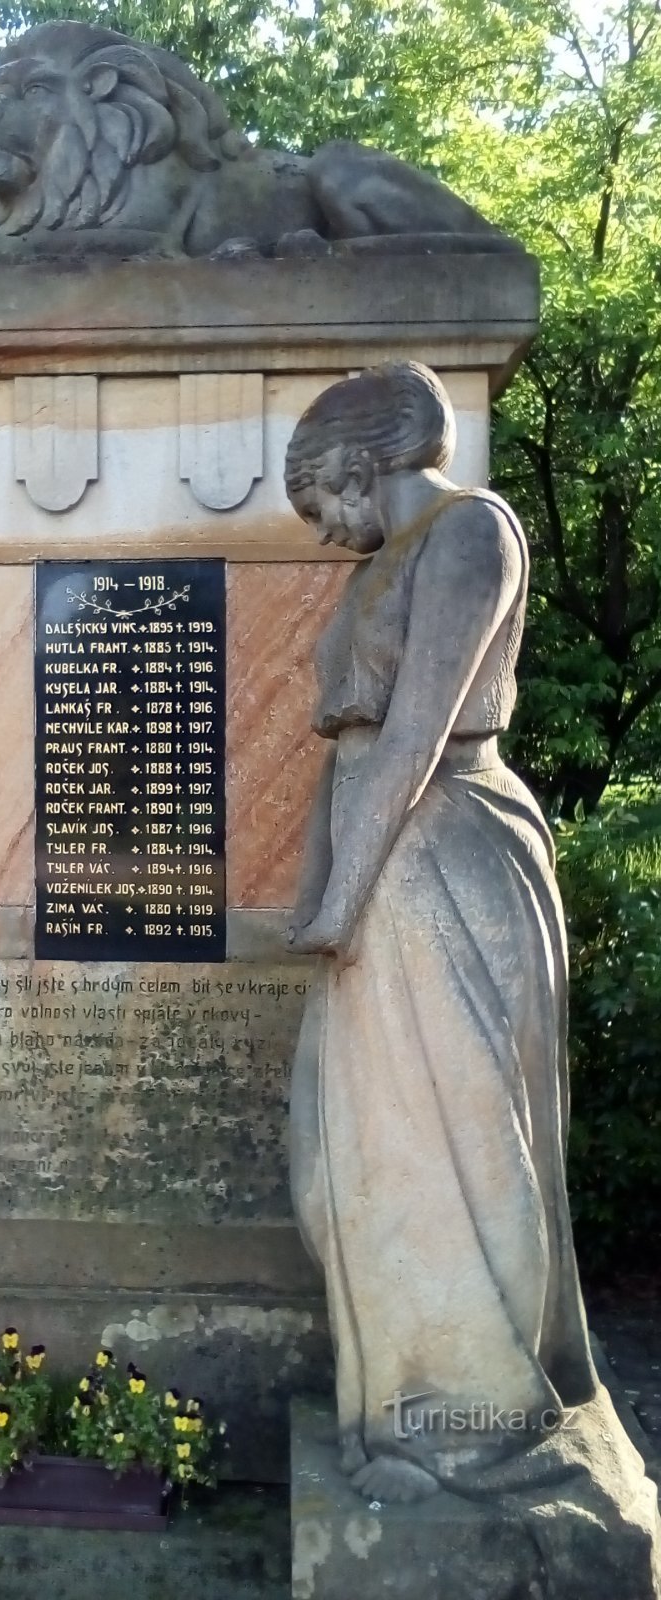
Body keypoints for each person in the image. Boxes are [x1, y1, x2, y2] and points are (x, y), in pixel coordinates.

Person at [284, 362, 597, 1505]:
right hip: (378, 879)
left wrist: (340, 894)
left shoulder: (476, 534)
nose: (322, 534)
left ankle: (468, 1411)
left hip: (443, 852)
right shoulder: (380, 566)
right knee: (338, 1160)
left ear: (361, 464)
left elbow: (415, 733)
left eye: (321, 505)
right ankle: (398, 1391)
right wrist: (321, 896)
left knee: (454, 1141)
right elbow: (345, 754)